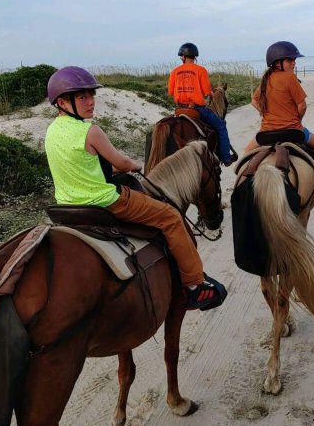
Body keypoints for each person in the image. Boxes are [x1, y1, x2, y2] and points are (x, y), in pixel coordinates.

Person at [44, 66, 225, 311]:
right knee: (171, 218)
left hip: (68, 206)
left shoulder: (52, 130)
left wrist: (114, 169)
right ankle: (195, 286)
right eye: (82, 97)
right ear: (62, 102)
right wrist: (135, 165)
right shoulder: (90, 130)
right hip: (105, 201)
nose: (90, 101)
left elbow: (86, 165)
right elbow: (120, 163)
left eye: (91, 95)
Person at [247, 41, 314, 204]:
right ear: (277, 63)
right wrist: (296, 120)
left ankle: (243, 188)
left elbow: (254, 101)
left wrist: (265, 113)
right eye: (290, 60)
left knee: (246, 155)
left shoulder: (266, 80)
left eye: (294, 60)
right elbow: (302, 105)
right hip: (293, 130)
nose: (294, 63)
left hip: (265, 134)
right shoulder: (289, 77)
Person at [167, 43, 237, 166]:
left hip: (179, 110)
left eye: (181, 56)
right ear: (194, 56)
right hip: (197, 109)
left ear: (183, 56)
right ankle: (226, 158)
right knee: (220, 125)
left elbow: (171, 92)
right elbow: (206, 92)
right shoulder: (200, 70)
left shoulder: (174, 71)